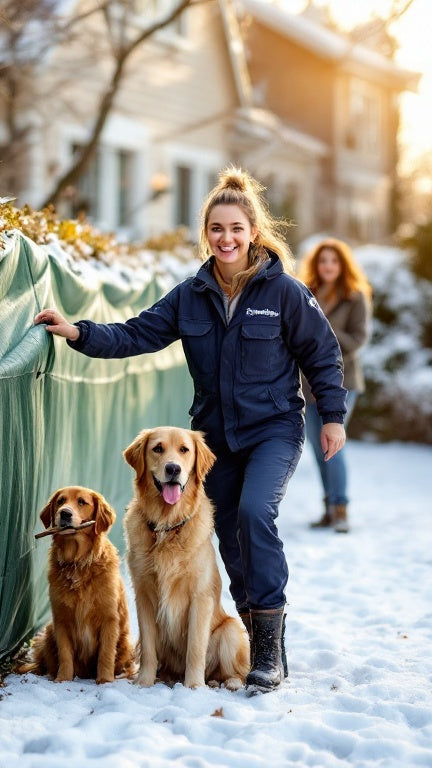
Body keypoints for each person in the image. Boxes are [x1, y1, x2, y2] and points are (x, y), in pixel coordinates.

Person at [33, 167, 347, 692]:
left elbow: (323, 354)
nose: (227, 239)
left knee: (253, 513)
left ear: (253, 232)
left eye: (236, 229)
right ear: (207, 234)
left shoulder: (286, 292)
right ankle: (250, 634)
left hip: (273, 428)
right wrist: (79, 332)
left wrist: (332, 416)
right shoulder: (191, 295)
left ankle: (269, 648)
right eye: (216, 229)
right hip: (213, 439)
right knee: (226, 534)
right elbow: (137, 332)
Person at [296, 238, 371, 534]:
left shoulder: (355, 296)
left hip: (343, 383)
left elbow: (357, 341)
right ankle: (328, 507)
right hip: (307, 384)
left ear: (342, 265)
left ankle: (341, 509)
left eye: (334, 261)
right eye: (323, 260)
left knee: (334, 445)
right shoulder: (304, 294)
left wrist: (325, 328)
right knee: (317, 448)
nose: (328, 266)